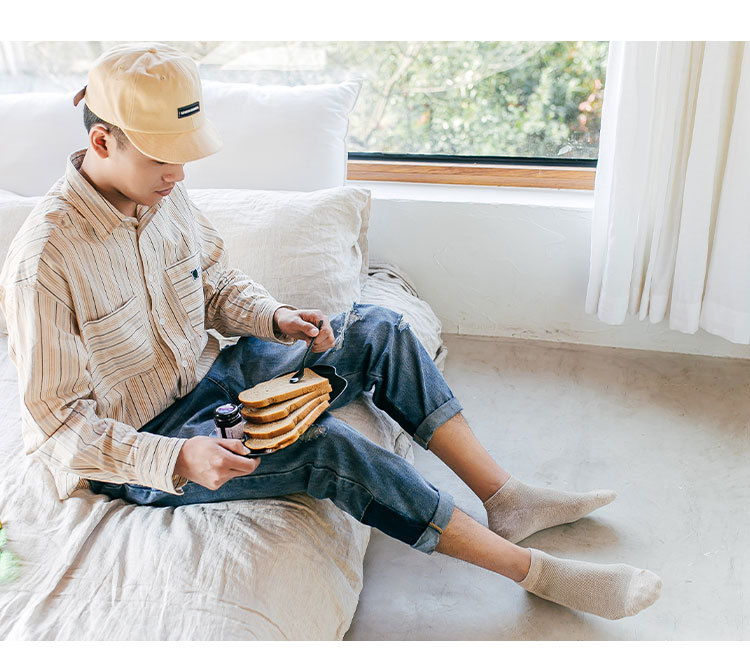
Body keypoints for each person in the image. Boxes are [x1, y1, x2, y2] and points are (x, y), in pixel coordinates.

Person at [0, 42, 661, 622]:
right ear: (103, 141)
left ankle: (506, 497)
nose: (178, 172)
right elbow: (57, 427)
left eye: (184, 155)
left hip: (217, 379)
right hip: (148, 444)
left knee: (376, 328)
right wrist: (176, 460)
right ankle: (534, 573)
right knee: (326, 444)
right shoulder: (45, 261)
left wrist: (275, 318)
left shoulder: (162, 195)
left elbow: (216, 284)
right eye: (161, 157)